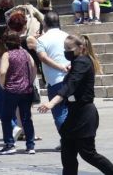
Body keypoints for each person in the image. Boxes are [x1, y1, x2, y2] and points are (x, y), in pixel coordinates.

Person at [38, 35, 113, 175]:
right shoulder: (78, 61)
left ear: (81, 48)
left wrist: (52, 103)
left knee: (88, 153)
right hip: (74, 113)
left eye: (69, 48)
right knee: (67, 152)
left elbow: (71, 84)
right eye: (64, 48)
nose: (65, 51)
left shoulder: (82, 62)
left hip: (84, 115)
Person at [0, 29, 37, 155]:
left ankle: (9, 144)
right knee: (26, 118)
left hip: (11, 90)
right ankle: (30, 146)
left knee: (6, 117)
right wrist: (30, 81)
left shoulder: (7, 55)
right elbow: (34, 67)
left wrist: (2, 84)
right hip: (26, 90)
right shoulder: (25, 53)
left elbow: (2, 72)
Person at [36, 11, 70, 141]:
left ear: (44, 23)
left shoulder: (42, 40)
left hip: (55, 80)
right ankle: (69, 140)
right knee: (70, 111)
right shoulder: (67, 36)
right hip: (70, 79)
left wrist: (59, 67)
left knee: (59, 113)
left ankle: (67, 141)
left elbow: (43, 58)